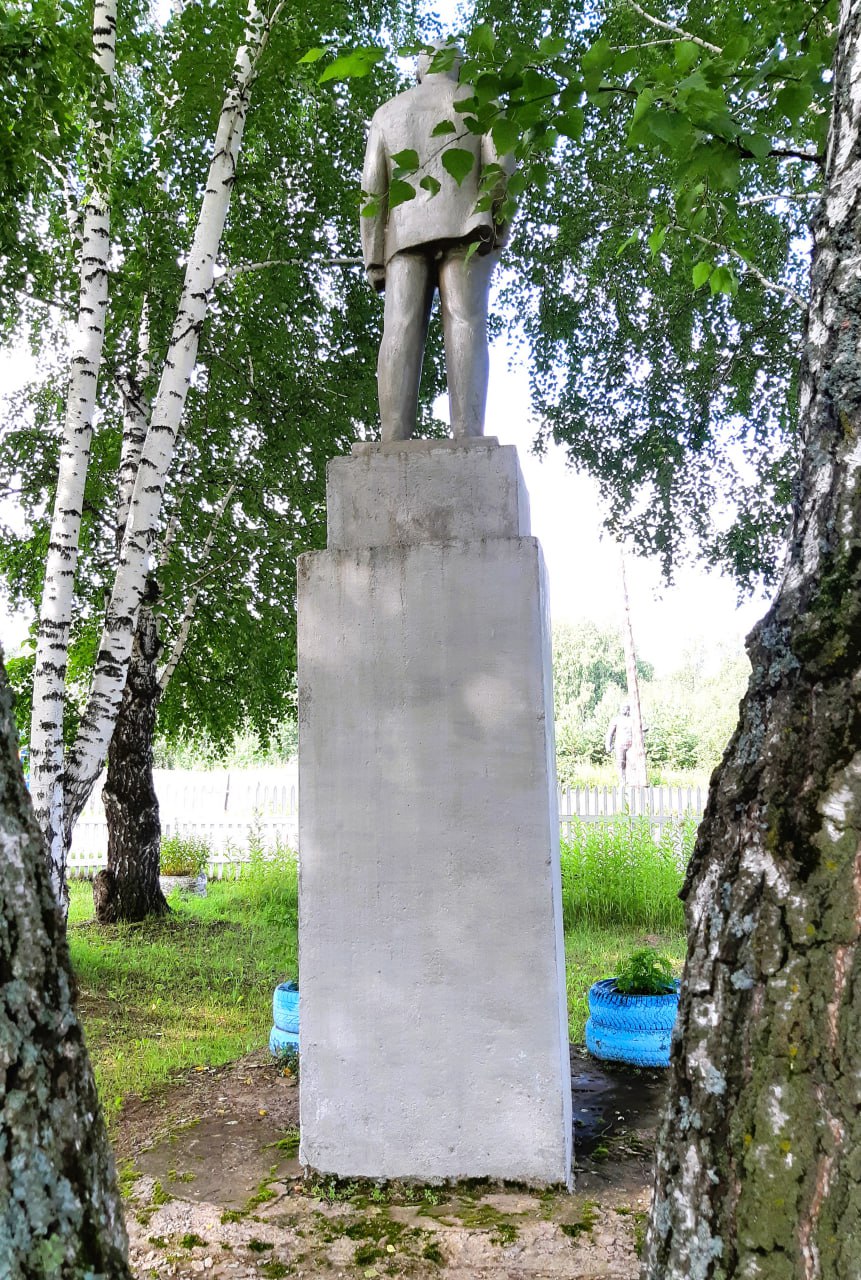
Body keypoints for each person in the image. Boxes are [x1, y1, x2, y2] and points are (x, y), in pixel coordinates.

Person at [360, 44, 511, 442]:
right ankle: (468, 435)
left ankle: (392, 438)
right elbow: (500, 167)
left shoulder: (388, 113)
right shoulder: (482, 103)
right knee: (465, 321)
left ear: (419, 68)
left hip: (404, 234)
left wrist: (374, 255)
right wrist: (495, 220)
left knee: (399, 326)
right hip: (467, 226)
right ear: (458, 67)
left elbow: (372, 191)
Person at [605, 702, 634, 785]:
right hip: (620, 745)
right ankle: (622, 782)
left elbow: (644, 728)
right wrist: (608, 745)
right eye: (621, 708)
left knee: (632, 763)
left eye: (624, 707)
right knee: (620, 763)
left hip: (631, 746)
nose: (622, 709)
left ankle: (631, 781)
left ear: (628, 709)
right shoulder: (616, 720)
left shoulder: (632, 719)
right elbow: (610, 734)